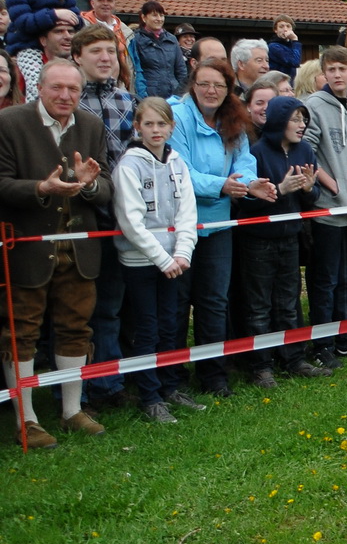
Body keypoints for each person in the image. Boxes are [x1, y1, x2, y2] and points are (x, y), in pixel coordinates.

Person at [0, 59, 113, 447]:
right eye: (57, 88)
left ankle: (71, 410)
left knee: (76, 327)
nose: (65, 96)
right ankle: (26, 419)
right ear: (39, 88)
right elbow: (1, 185)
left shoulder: (91, 126)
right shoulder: (10, 123)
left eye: (73, 90)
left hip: (79, 250)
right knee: (21, 332)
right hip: (27, 249)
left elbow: (107, 188)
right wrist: (42, 189)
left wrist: (86, 187)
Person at [170, 58, 276, 396]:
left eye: (218, 84)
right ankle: (172, 379)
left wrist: (247, 182)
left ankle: (214, 374)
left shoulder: (234, 117)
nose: (211, 91)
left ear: (228, 88)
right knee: (177, 303)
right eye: (203, 84)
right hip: (181, 224)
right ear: (192, 85)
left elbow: (244, 161)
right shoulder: (178, 115)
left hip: (219, 222)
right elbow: (180, 168)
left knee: (214, 301)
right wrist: (222, 185)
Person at [114, 97, 201, 422]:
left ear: (171, 127)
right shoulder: (129, 165)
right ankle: (149, 396)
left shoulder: (177, 162)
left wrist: (182, 252)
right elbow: (130, 221)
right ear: (137, 126)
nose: (155, 130)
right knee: (146, 329)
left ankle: (169, 387)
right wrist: (163, 259)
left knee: (171, 326)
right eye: (148, 124)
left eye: (161, 124)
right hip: (141, 262)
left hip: (175, 261)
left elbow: (186, 211)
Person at [72, 24, 134, 410]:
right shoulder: (68, 100)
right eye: (96, 51)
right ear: (77, 57)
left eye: (110, 51)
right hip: (80, 215)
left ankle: (111, 385)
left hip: (121, 214)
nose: (105, 58)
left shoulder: (128, 100)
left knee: (113, 304)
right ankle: (77, 390)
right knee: (79, 309)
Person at [236, 97, 320, 385]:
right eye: (295, 119)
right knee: (259, 305)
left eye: (303, 119)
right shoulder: (256, 153)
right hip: (259, 241)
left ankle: (294, 358)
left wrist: (309, 189)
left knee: (289, 301)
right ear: (279, 120)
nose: (302, 125)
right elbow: (246, 204)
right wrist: (281, 190)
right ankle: (261, 365)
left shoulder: (305, 150)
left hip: (291, 237)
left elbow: (312, 197)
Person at [302, 47, 347, 368]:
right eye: (331, 70)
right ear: (324, 73)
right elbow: (308, 152)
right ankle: (322, 345)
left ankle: (346, 341)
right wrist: (332, 184)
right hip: (329, 208)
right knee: (326, 279)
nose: (337, 75)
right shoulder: (313, 107)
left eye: (342, 69)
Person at [129, 1, 187, 98]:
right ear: (144, 18)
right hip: (150, 95)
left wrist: (182, 93)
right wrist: (143, 95)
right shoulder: (136, 40)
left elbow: (181, 69)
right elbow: (136, 71)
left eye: (161, 15)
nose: (159, 19)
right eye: (155, 15)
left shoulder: (172, 39)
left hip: (174, 94)